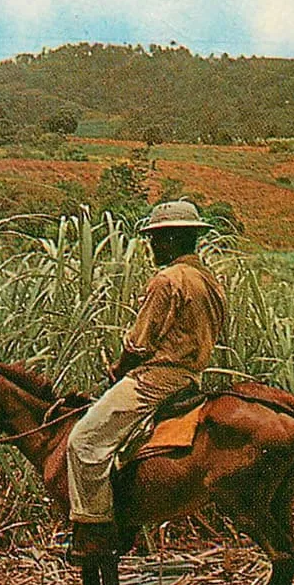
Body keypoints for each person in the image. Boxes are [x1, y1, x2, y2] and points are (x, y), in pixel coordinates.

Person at [66, 200, 226, 565]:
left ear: (171, 239)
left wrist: (118, 370)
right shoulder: (209, 281)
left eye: (156, 239)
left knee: (84, 441)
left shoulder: (167, 280)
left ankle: (94, 530)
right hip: (190, 375)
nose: (153, 246)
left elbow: (139, 343)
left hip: (157, 378)